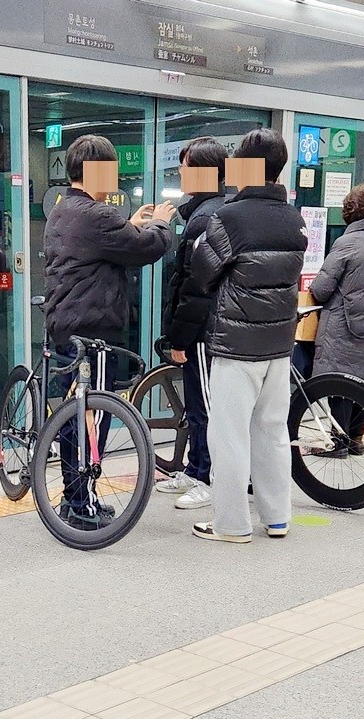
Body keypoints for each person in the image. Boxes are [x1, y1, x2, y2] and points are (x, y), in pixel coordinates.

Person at [43, 133, 176, 529]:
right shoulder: (97, 216)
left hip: (68, 325)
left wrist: (130, 226)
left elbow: (108, 248)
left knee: (76, 414)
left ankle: (76, 497)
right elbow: (145, 249)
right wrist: (160, 225)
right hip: (93, 331)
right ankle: (78, 504)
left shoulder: (65, 209)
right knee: (91, 419)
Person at [189, 128, 307, 544]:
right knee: (273, 432)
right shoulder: (293, 218)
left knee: (229, 436)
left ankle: (232, 525)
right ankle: (277, 518)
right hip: (278, 346)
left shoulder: (232, 217)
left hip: (236, 345)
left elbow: (202, 274)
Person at [158, 136, 228, 510]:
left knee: (203, 405)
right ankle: (195, 467)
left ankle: (207, 477)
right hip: (204, 326)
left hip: (204, 329)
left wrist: (181, 337)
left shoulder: (206, 217)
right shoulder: (205, 212)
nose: (180, 172)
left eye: (185, 166)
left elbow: (195, 284)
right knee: (198, 402)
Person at [309, 184, 364, 457]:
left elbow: (321, 289)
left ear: (350, 211)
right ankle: (356, 439)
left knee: (339, 383)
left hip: (343, 325)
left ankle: (338, 442)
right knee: (363, 382)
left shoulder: (347, 243)